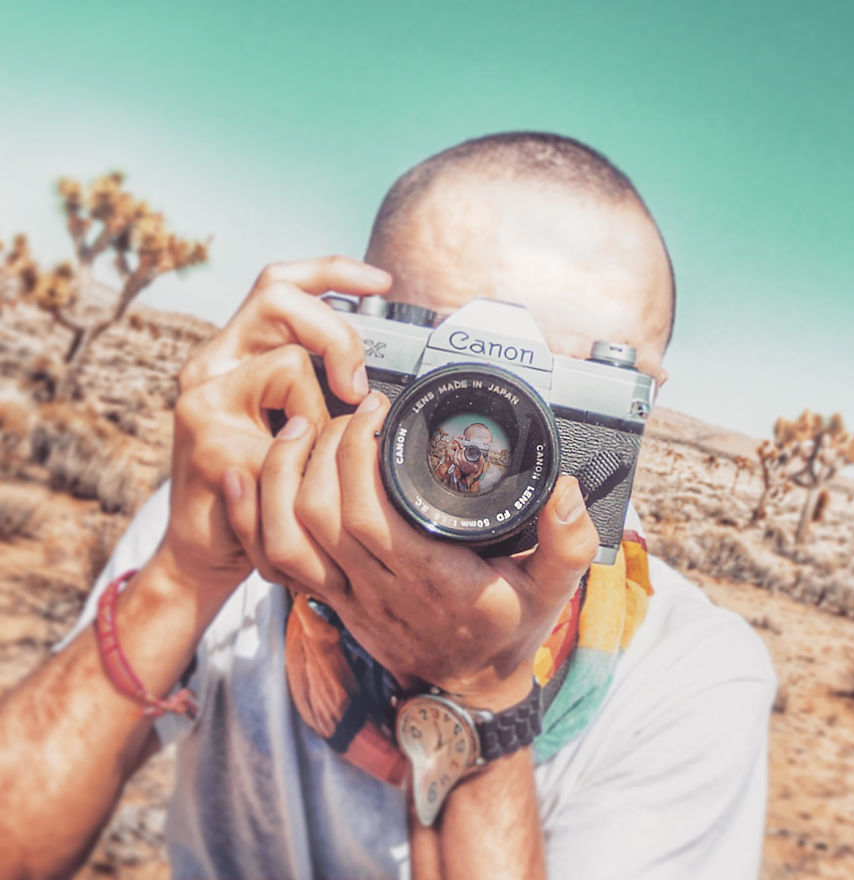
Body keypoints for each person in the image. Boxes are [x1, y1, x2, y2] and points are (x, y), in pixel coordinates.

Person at [0, 132, 776, 879]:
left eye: (551, 394)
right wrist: (185, 569)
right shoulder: (255, 516)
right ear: (351, 336)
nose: (479, 453)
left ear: (635, 408)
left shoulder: (692, 674)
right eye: (436, 365)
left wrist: (481, 687)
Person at [435, 422, 503, 494]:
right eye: (471, 444)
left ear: (489, 448)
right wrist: (446, 464)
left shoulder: (494, 475)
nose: (475, 452)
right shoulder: (452, 463)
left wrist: (474, 476)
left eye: (484, 445)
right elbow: (430, 488)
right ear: (462, 443)